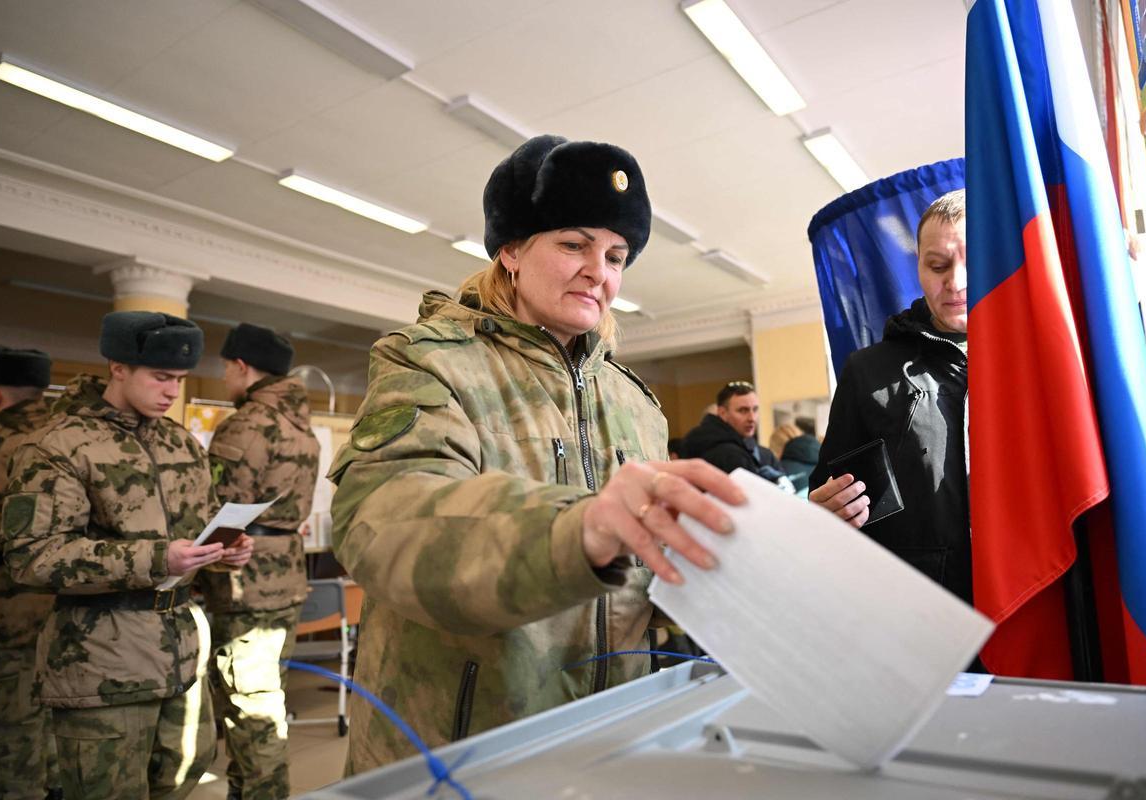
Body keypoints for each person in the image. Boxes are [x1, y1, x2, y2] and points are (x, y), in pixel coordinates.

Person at [327, 134, 745, 772]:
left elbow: (654, 572)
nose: (598, 272)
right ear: (512, 251)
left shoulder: (636, 402)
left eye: (615, 254)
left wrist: (758, 544)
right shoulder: (428, 361)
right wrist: (580, 526)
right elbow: (383, 519)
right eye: (573, 243)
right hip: (463, 746)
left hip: (611, 738)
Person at [1, 311, 255, 800]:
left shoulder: (181, 443)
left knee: (184, 776)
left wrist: (224, 551)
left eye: (180, 380)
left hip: (180, 654)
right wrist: (160, 559)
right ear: (118, 368)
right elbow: (33, 556)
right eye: (161, 377)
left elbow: (195, 533)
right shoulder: (59, 446)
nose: (172, 392)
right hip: (102, 661)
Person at [809, 190, 972, 604]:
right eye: (937, 265)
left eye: (970, 261)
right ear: (917, 266)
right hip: (922, 610)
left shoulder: (1040, 359)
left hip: (1034, 604)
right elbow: (830, 493)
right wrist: (826, 511)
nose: (955, 282)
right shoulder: (868, 373)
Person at [198, 323, 320, 800]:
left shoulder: (247, 425)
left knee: (250, 709)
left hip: (244, 579)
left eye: (227, 368)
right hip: (286, 575)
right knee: (266, 698)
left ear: (241, 367)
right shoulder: (301, 426)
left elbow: (220, 510)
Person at [0, 346, 57, 800]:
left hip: (3, 625)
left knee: (8, 742)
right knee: (54, 732)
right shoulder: (71, 439)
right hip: (67, 620)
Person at [680, 381, 789, 485]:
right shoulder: (730, 454)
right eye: (743, 410)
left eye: (755, 410)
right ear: (722, 413)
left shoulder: (759, 452)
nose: (752, 418)